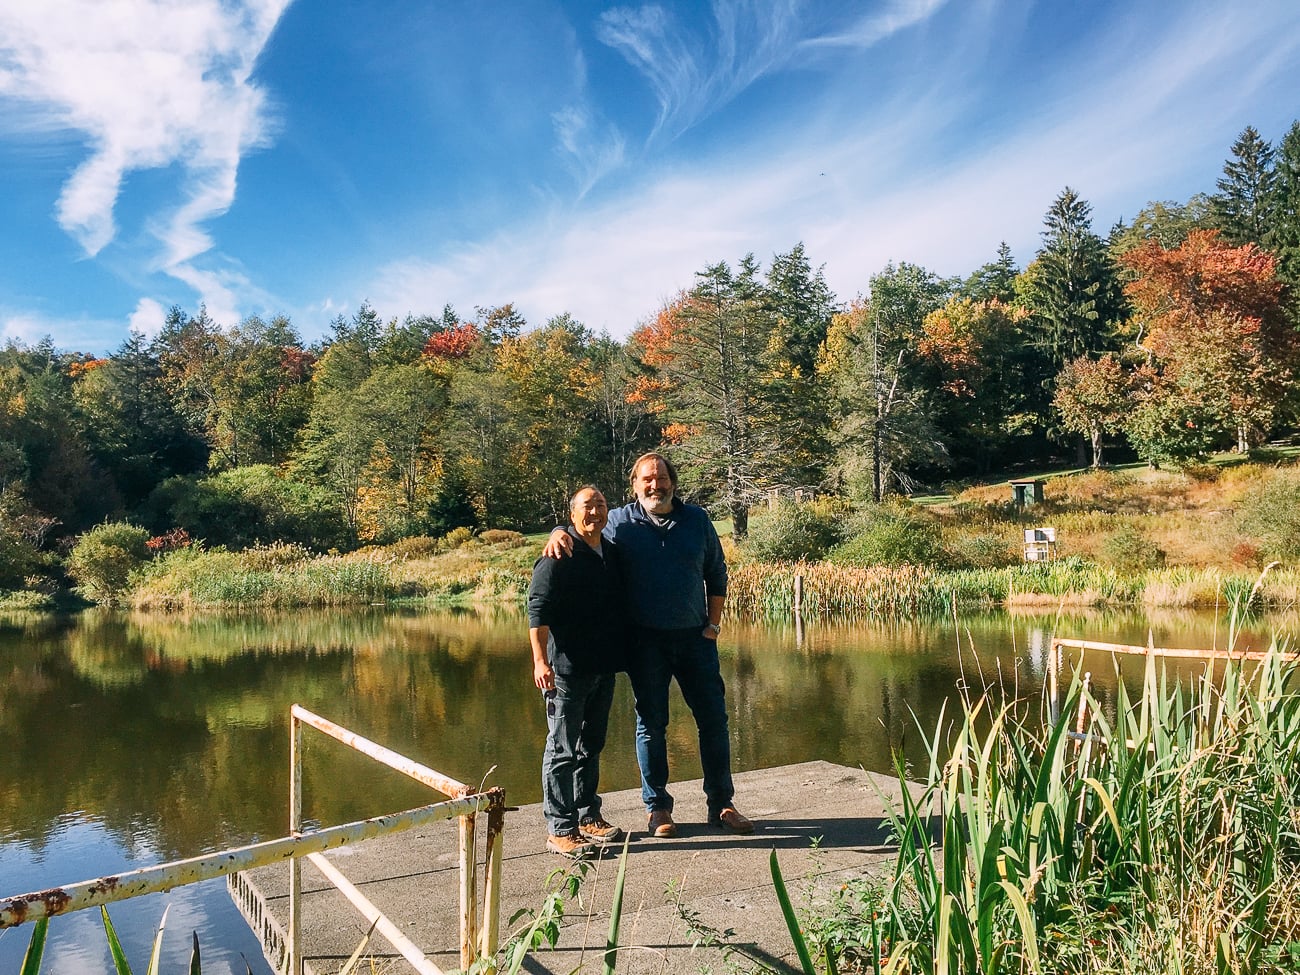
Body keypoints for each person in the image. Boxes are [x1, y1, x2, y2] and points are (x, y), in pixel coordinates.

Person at [545, 453, 753, 837]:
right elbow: (584, 526)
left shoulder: (698, 520)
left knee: (714, 722)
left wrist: (713, 625)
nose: (655, 485)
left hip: (695, 639)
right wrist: (558, 529)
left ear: (673, 481)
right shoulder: (620, 522)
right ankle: (657, 808)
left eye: (661, 478)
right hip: (644, 642)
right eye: (647, 480)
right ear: (635, 485)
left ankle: (721, 804)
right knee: (651, 725)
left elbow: (717, 572)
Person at [529, 485, 628, 858]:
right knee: (561, 749)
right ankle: (560, 827)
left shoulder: (611, 553)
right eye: (588, 506)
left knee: (592, 746)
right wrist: (540, 661)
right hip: (566, 672)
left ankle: (588, 816)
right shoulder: (558, 555)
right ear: (572, 515)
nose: (596, 512)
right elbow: (537, 612)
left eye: (601, 505)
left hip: (603, 669)